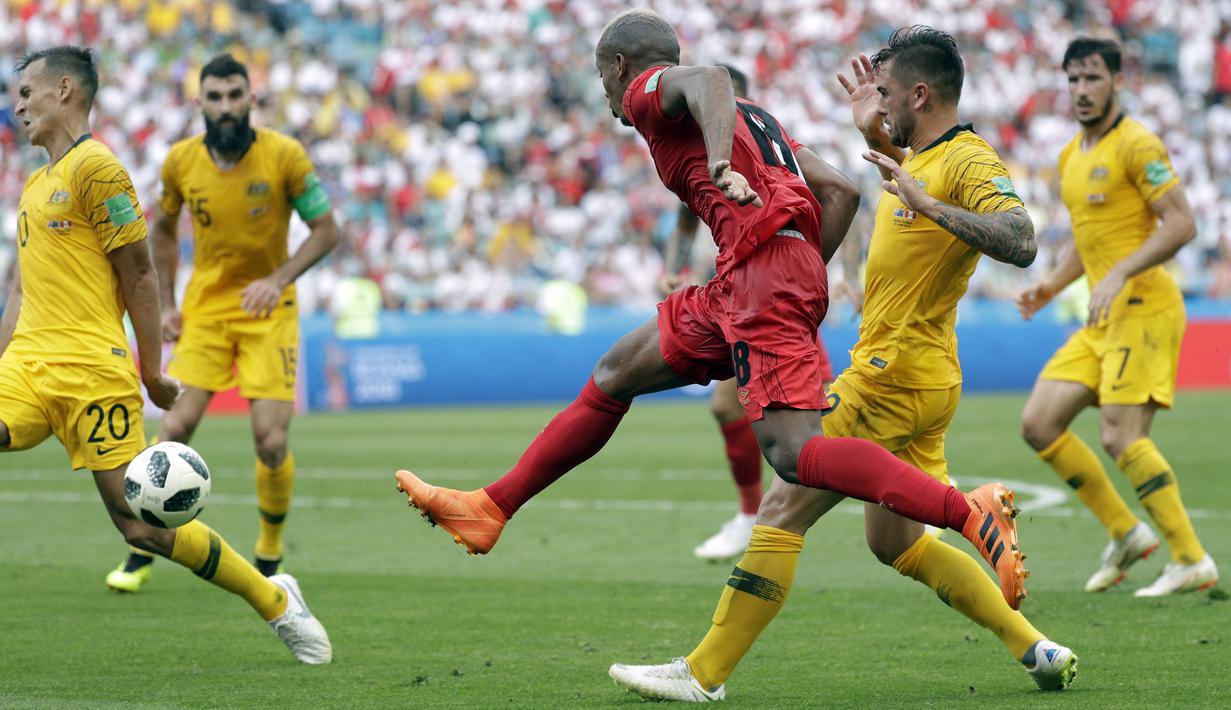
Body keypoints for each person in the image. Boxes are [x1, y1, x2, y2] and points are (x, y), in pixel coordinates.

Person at [394, 11, 1028, 630]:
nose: (608, 94)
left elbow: (710, 78)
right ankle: (491, 507)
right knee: (616, 372)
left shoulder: (650, 93)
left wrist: (731, 183)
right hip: (752, 278)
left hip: (761, 277)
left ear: (621, 66)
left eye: (603, 76)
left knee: (795, 455)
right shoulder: (756, 118)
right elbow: (839, 189)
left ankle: (966, 512)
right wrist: (800, 277)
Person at [608, 27, 1077, 701]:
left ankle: (703, 674)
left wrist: (927, 204)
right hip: (923, 376)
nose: (878, 103)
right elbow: (900, 195)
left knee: (783, 503)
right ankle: (1036, 649)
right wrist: (877, 137)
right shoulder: (919, 156)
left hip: (893, 374)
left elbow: (1021, 239)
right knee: (897, 545)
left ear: (921, 94)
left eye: (886, 94)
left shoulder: (966, 160)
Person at [1, 46, 330, 663]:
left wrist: (150, 371)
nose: (16, 105)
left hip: (92, 374)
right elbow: (19, 289)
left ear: (64, 89)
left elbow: (141, 273)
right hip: (27, 369)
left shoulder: (98, 169)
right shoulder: (36, 182)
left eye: (25, 92)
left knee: (140, 525)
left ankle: (273, 598)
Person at [105, 53, 340, 592]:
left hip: (268, 311)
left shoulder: (284, 156)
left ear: (251, 98)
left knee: (270, 441)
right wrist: (167, 303)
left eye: (236, 95)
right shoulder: (180, 162)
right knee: (174, 428)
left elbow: (327, 230)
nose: (227, 106)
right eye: (216, 97)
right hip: (207, 311)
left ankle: (269, 556)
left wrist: (277, 280)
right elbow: (163, 231)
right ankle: (142, 548)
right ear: (200, 103)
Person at [1018, 38, 1218, 596]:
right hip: (1105, 317)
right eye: (1074, 80)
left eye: (1093, 78)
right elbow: (1089, 241)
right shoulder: (1070, 156)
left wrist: (1119, 273)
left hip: (1146, 309)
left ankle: (1191, 558)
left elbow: (1182, 224)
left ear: (1118, 82)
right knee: (1039, 422)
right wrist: (1050, 286)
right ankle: (1125, 532)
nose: (1082, 90)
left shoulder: (1138, 144)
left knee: (1121, 435)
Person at [657, 63, 835, 561]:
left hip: (777, 297)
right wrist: (672, 268)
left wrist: (814, 269)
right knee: (738, 410)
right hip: (744, 297)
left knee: (831, 424)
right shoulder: (704, 154)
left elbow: (838, 192)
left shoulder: (768, 153)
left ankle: (918, 494)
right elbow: (685, 220)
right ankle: (749, 513)